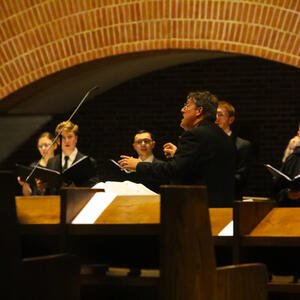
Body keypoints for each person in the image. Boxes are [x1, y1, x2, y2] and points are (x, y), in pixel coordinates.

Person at [119, 91, 236, 207]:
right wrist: (179, 155)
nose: (182, 110)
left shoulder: (194, 135)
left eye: (187, 105)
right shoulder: (223, 136)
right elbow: (204, 167)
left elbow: (173, 170)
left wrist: (138, 165)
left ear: (199, 111)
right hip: (223, 207)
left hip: (198, 208)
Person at [46, 120, 99, 193]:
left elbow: (94, 189)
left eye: (70, 137)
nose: (66, 141)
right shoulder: (51, 162)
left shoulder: (88, 162)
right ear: (58, 141)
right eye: (63, 138)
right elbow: (48, 192)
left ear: (76, 139)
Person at [215, 100, 252, 200]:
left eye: (220, 115)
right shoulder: (207, 142)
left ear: (230, 120)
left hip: (230, 198)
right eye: (214, 115)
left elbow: (241, 178)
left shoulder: (242, 145)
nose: (216, 119)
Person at [273, 138, 300, 205]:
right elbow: (278, 189)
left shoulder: (292, 158)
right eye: (290, 148)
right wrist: (287, 193)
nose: (292, 151)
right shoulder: (292, 159)